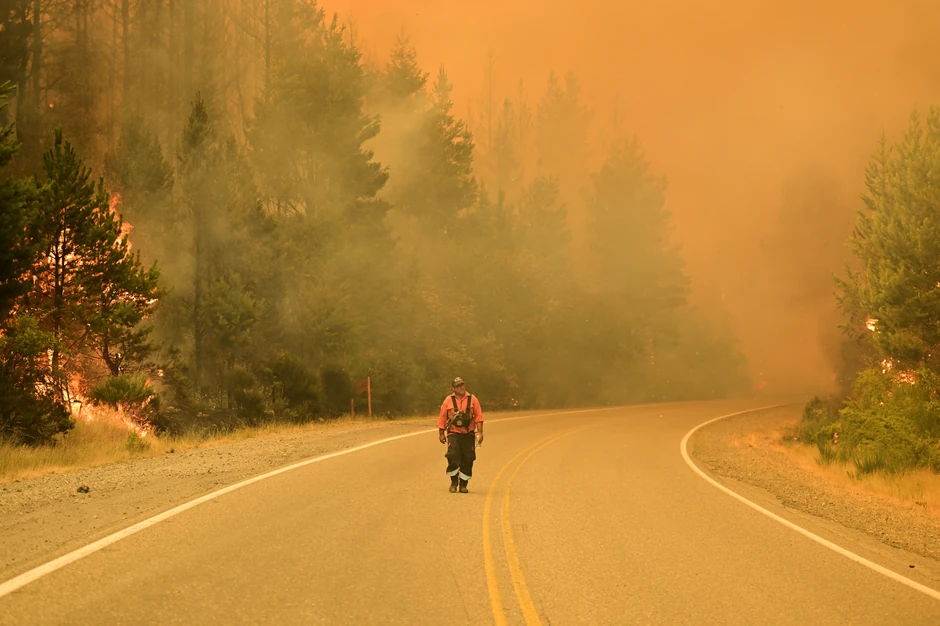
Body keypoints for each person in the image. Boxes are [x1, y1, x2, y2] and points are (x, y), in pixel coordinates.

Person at [438, 377, 484, 493]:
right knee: (453, 455)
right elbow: (442, 417)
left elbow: (479, 417)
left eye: (462, 385)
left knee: (468, 458)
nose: (461, 387)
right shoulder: (448, 400)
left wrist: (480, 433)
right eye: (458, 386)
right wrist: (441, 434)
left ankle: (463, 484)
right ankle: (453, 482)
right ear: (453, 388)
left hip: (468, 434)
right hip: (453, 433)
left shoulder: (473, 399)